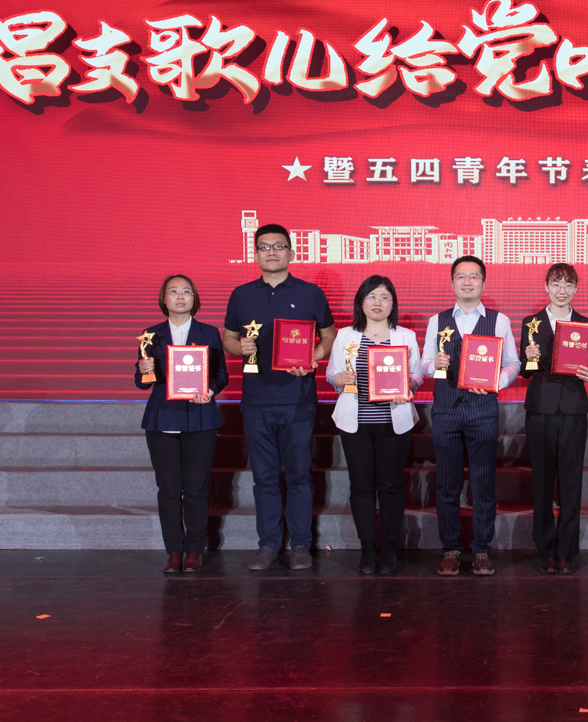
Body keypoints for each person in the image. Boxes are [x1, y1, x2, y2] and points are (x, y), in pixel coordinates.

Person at [222, 224, 336, 572]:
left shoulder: (310, 293)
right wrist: (239, 347)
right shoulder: (241, 295)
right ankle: (268, 544)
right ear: (255, 253)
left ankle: (300, 543)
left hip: (298, 399)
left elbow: (329, 334)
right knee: (265, 477)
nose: (271, 252)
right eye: (264, 247)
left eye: (279, 246)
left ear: (291, 252)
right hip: (256, 400)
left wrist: (314, 357)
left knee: (299, 475)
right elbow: (228, 338)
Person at [419, 256, 520, 577]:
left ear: (483, 283)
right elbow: (422, 364)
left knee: (483, 483)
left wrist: (496, 381)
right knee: (447, 485)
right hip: (446, 410)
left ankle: (481, 550)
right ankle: (450, 549)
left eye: (473, 276)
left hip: (483, 410)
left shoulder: (499, 320)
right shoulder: (437, 320)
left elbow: (513, 363)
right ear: (452, 283)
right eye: (461, 276)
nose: (467, 282)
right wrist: (433, 363)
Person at [326, 275, 423, 576]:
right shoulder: (345, 335)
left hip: (393, 422)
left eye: (384, 297)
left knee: (391, 486)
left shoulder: (405, 336)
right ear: (361, 302)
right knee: (361, 486)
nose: (377, 302)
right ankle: (367, 548)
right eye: (371, 296)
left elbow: (417, 375)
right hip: (355, 423)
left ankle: (390, 548)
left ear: (393, 304)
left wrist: (409, 384)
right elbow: (332, 373)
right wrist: (339, 379)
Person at [135, 274, 227, 574]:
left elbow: (221, 375)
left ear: (194, 299)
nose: (180, 296)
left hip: (199, 417)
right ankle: (174, 550)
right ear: (164, 299)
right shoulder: (151, 335)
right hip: (162, 418)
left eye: (186, 291)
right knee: (169, 489)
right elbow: (142, 383)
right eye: (173, 291)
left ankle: (194, 551)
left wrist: (210, 390)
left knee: (196, 489)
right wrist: (145, 369)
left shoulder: (209, 333)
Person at [519, 263, 588, 575]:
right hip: (540, 409)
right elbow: (525, 372)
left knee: (571, 482)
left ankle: (567, 549)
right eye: (556, 284)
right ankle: (546, 548)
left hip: (573, 410)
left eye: (568, 285)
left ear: (576, 289)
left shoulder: (585, 324)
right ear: (546, 286)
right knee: (542, 482)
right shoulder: (531, 323)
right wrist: (528, 359)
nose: (562, 290)